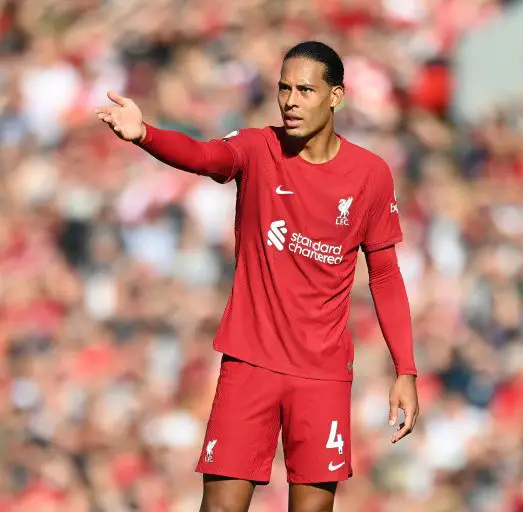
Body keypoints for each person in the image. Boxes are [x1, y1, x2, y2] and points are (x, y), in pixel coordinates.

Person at [96, 41, 419, 512]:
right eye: (284, 88)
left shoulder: (370, 175)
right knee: (222, 507)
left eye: (305, 90)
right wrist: (145, 133)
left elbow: (386, 277)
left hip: (322, 374)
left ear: (336, 97)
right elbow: (204, 157)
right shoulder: (256, 148)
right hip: (250, 363)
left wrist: (405, 370)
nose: (290, 100)